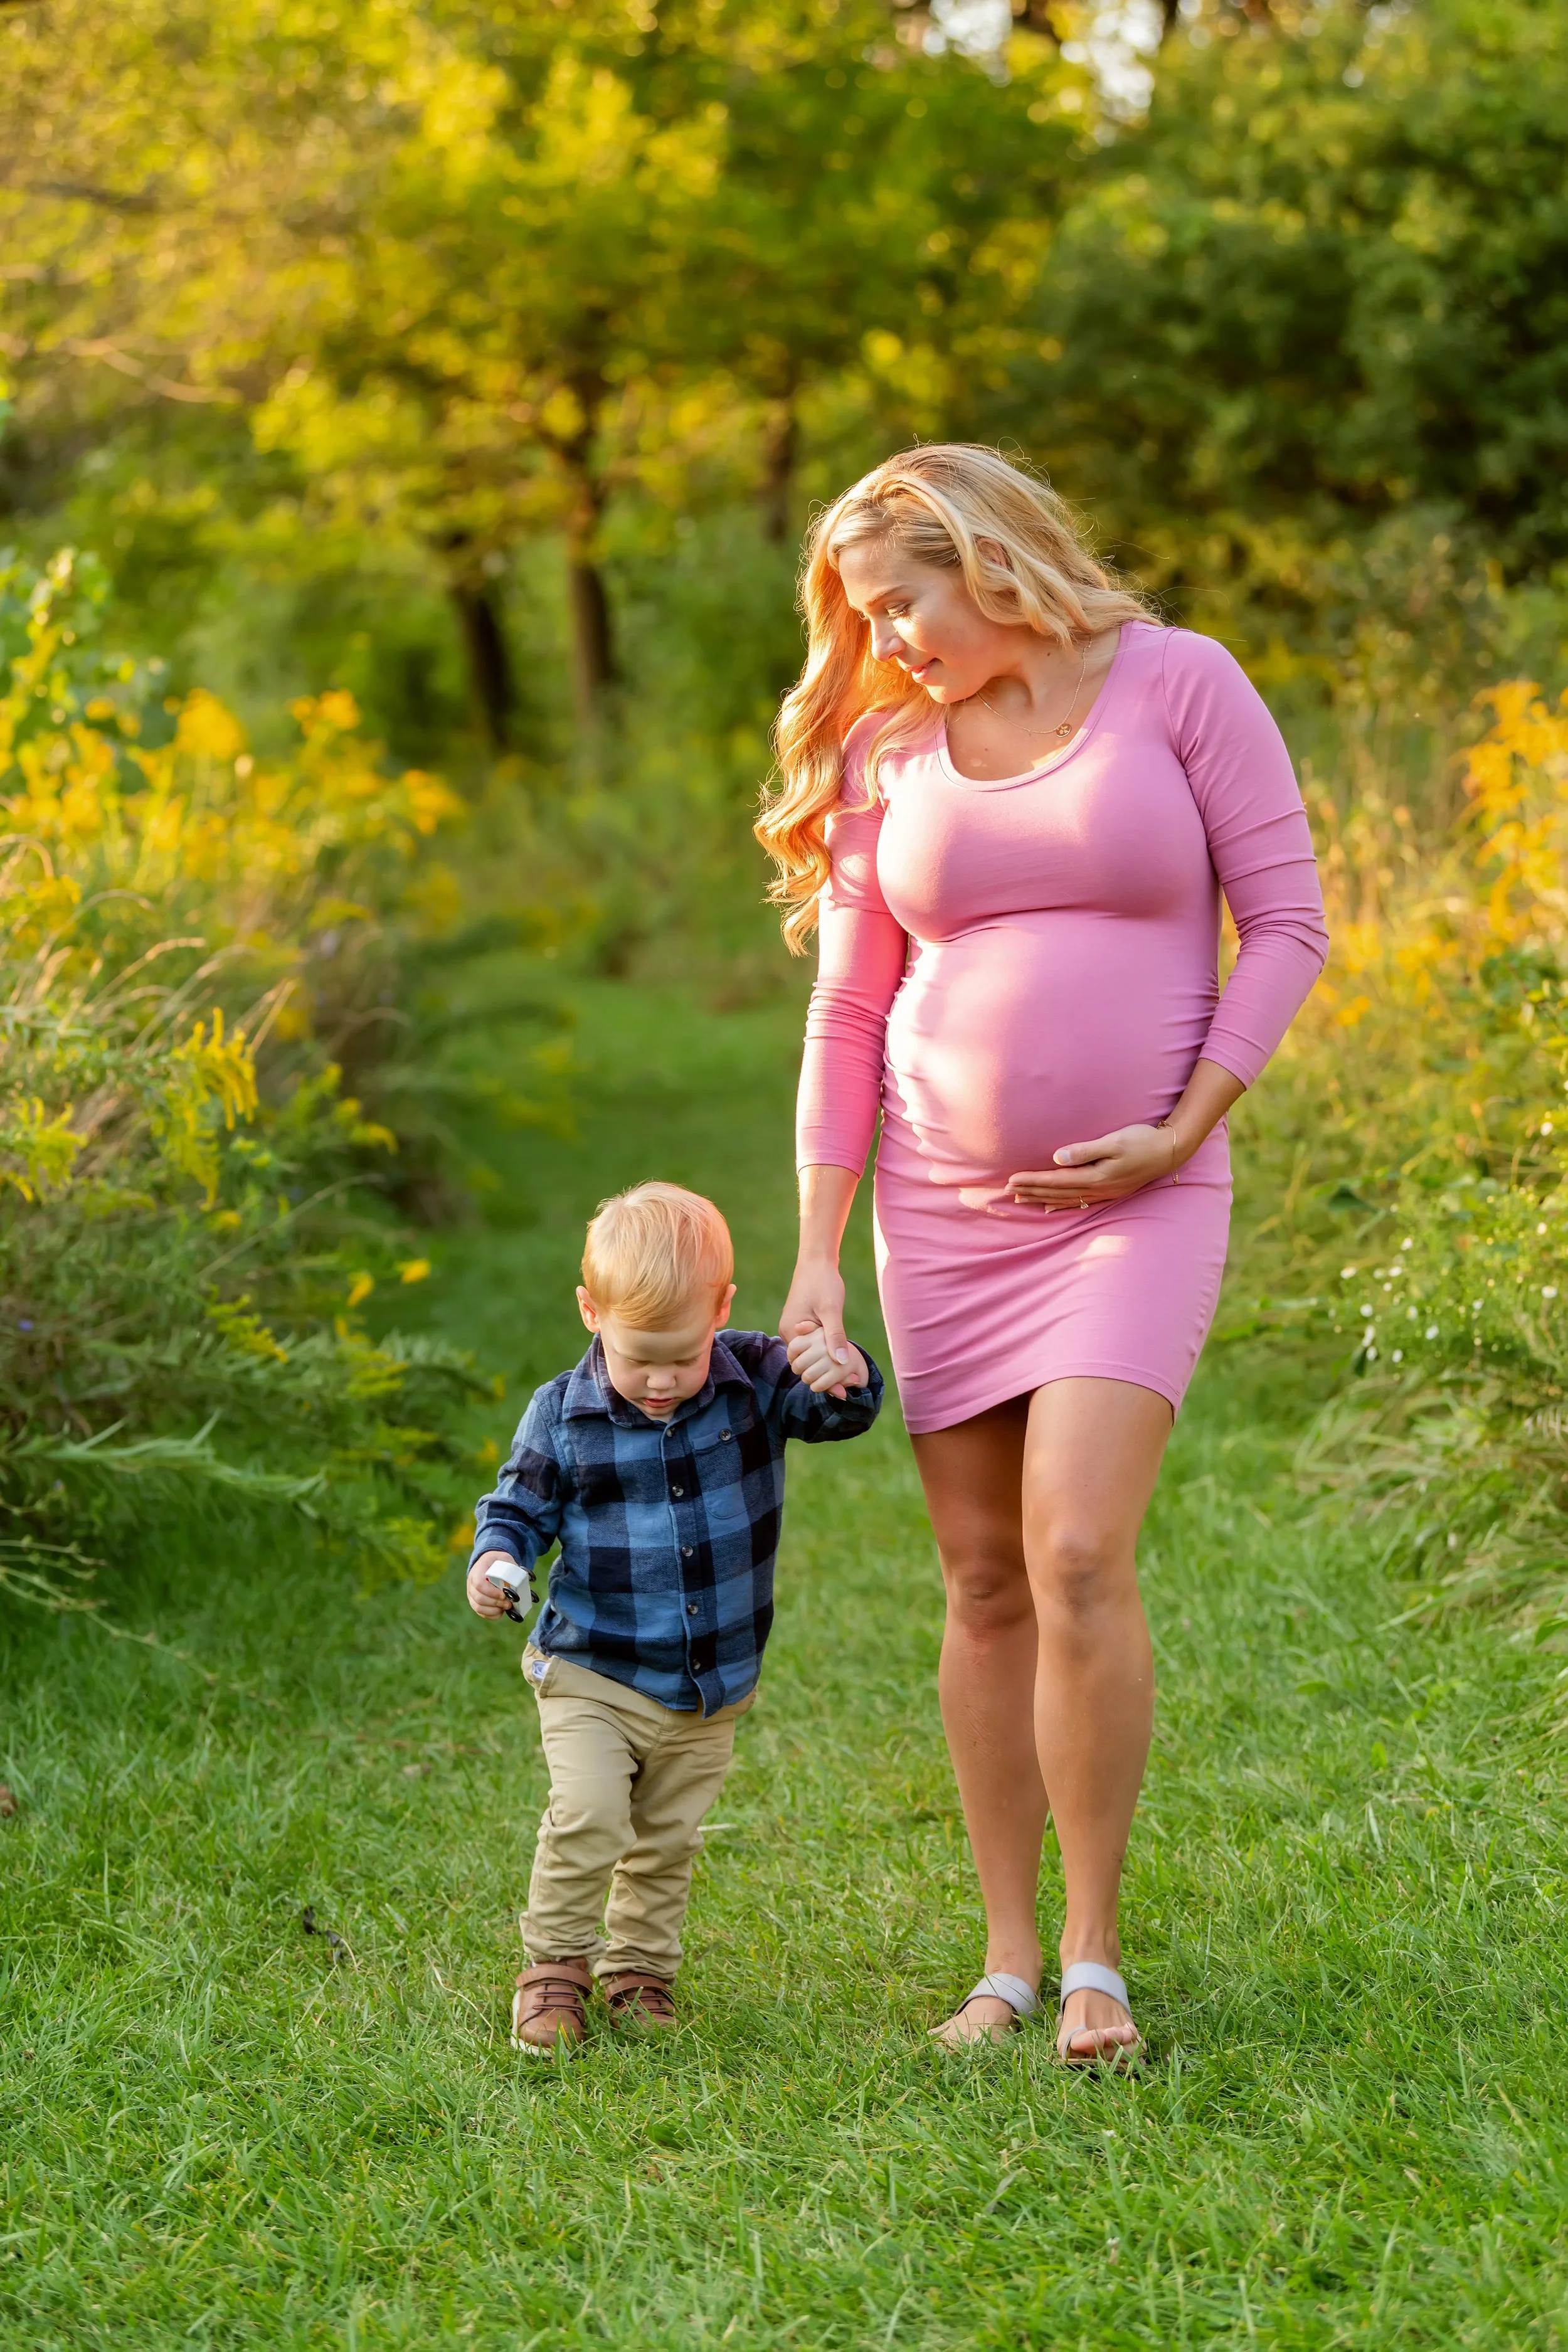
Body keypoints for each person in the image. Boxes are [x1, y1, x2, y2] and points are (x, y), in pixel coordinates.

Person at [759, 445, 1328, 2062]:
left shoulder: (1178, 683)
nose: (889, 644)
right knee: (983, 1577)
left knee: (1076, 1548)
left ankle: (1095, 1954)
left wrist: (1184, 1123)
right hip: (939, 1213)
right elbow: (848, 1006)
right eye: (863, 620)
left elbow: (1283, 923)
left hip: (1138, 1201)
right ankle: (1004, 1961)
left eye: (902, 604)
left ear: (985, 555)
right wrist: (817, 1249)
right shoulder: (887, 751)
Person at [467, 1180, 882, 2054]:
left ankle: (638, 1972)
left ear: (722, 1309)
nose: (660, 1379)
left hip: (708, 1683)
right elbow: (517, 1508)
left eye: (683, 1356)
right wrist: (496, 1560)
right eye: (639, 1355)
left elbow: (837, 1413)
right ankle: (555, 1969)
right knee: (588, 1815)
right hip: (593, 1668)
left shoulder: (755, 1378)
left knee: (665, 1839)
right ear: (591, 1311)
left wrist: (840, 1371)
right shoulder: (565, 1413)